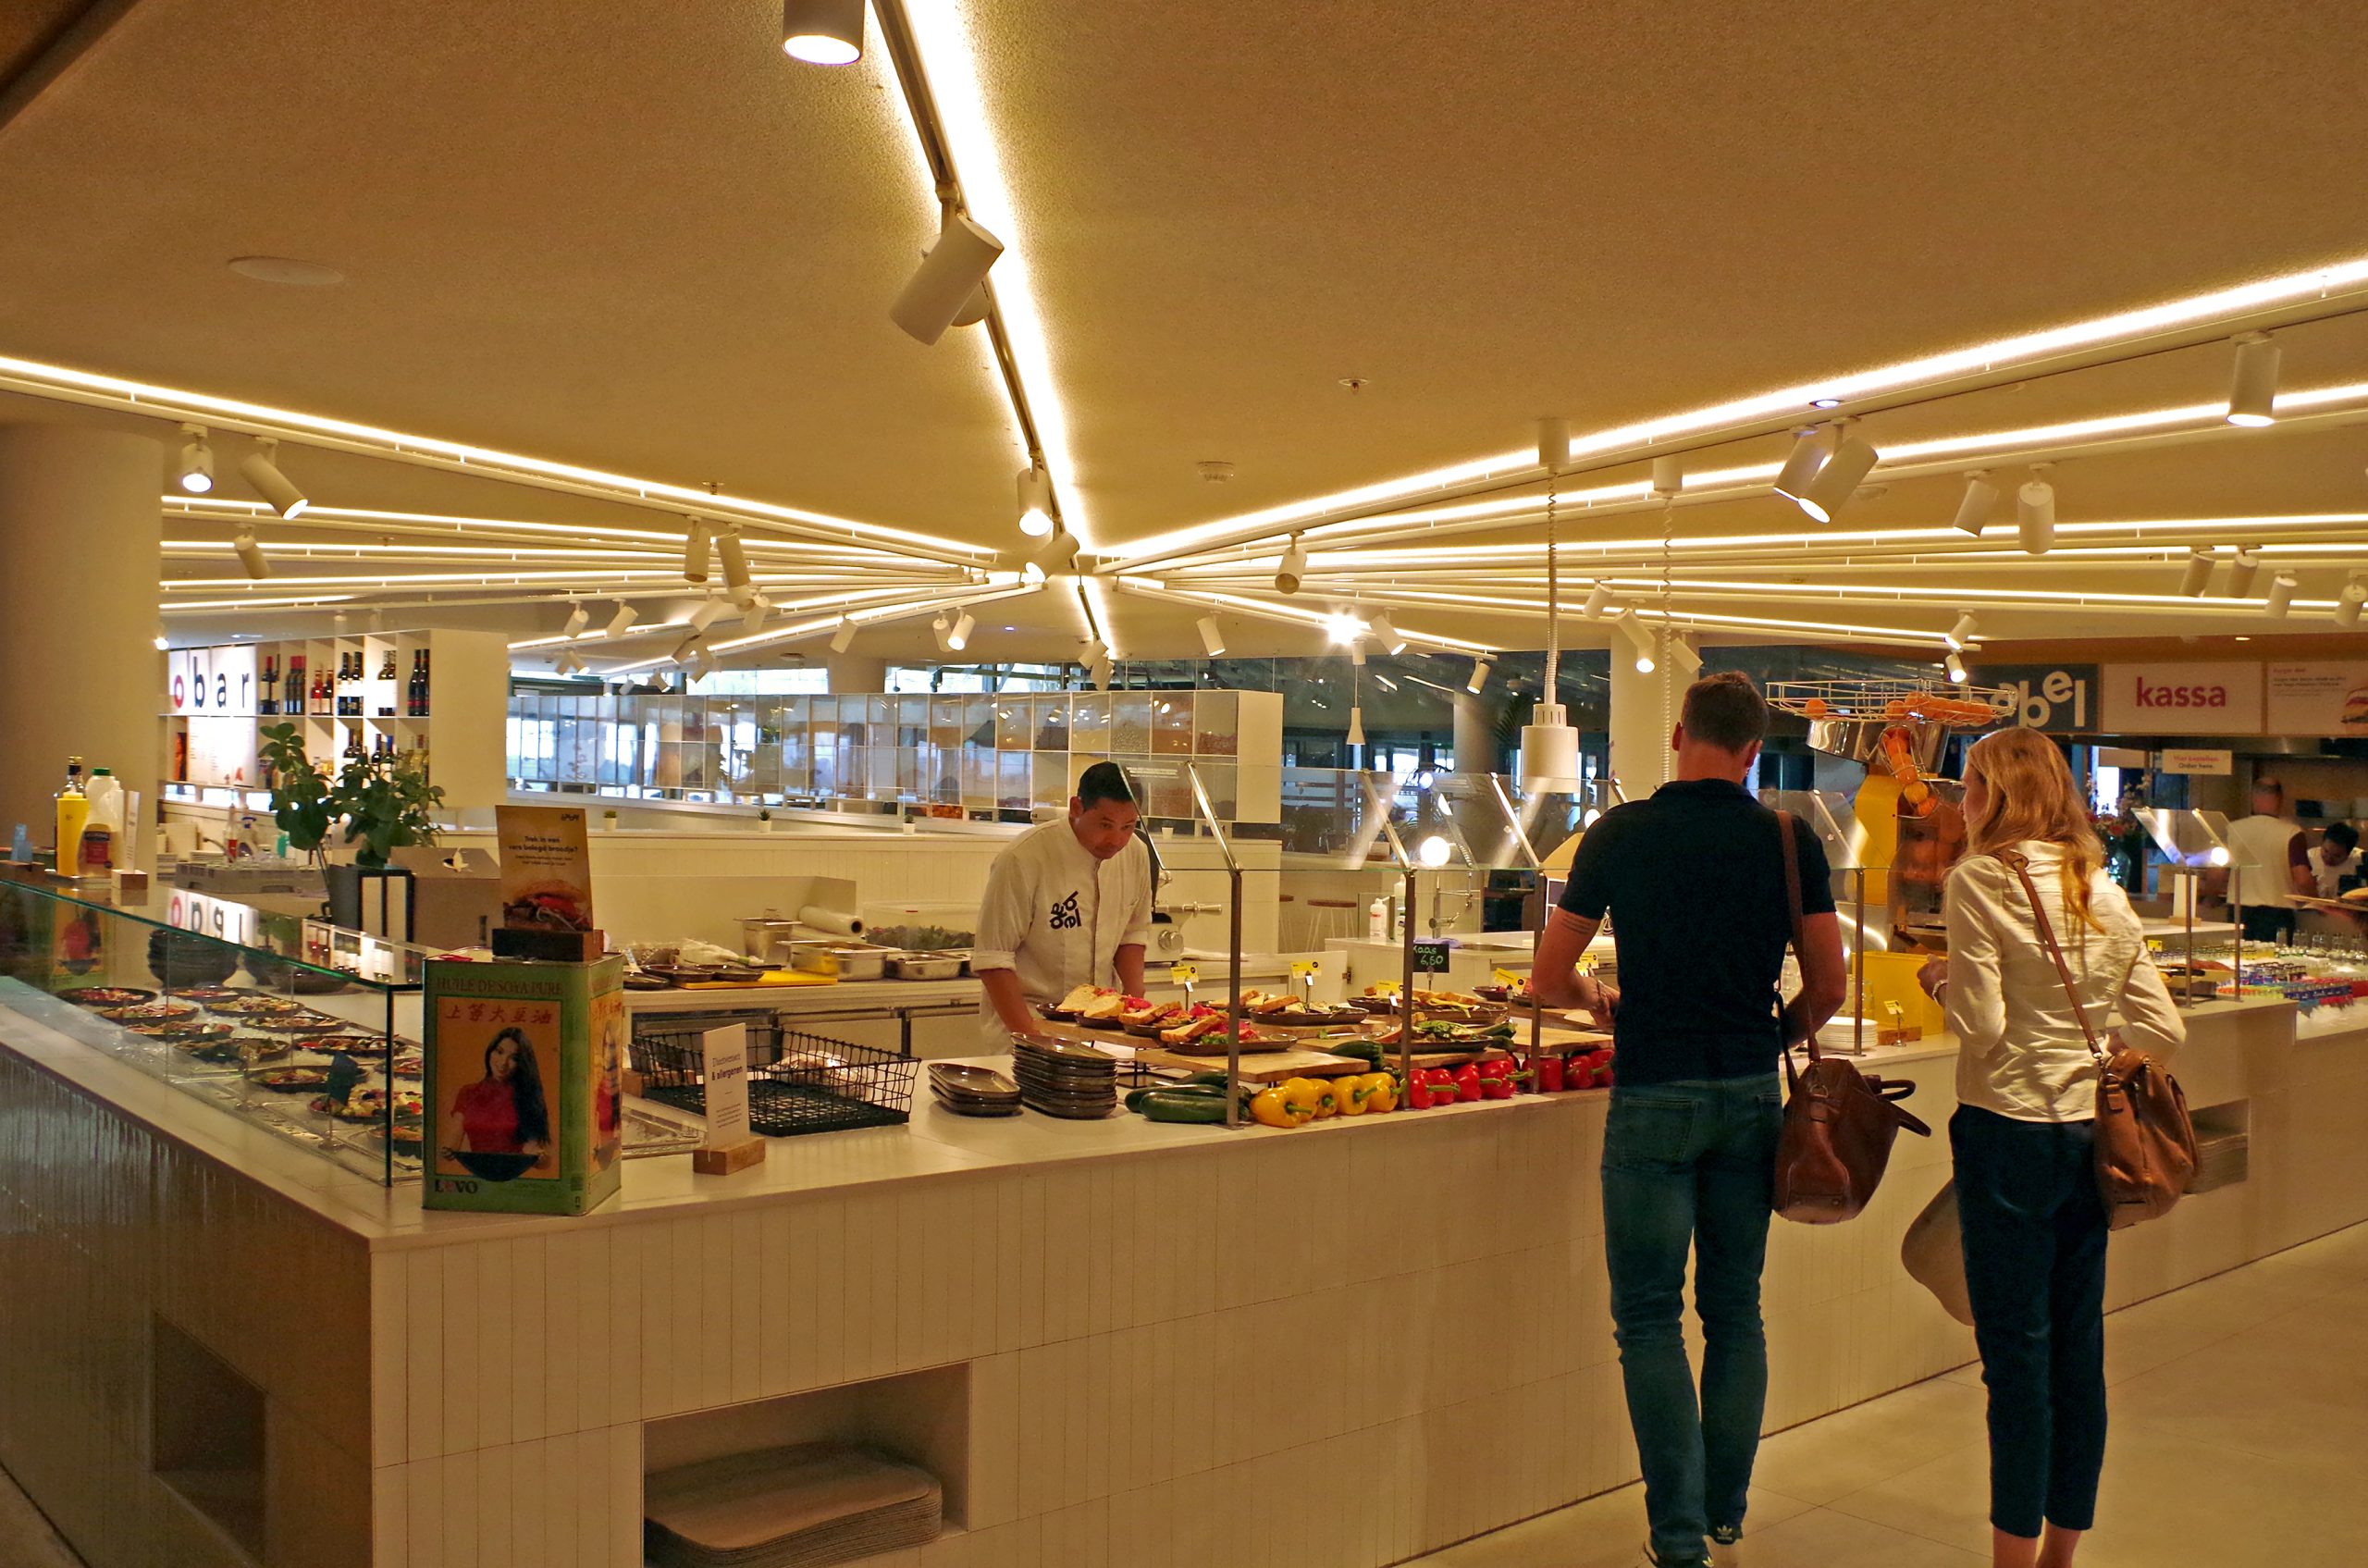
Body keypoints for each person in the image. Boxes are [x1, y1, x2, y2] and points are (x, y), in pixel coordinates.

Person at [1535, 672, 1848, 1568]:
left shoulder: (1620, 832)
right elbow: (1829, 985)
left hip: (1651, 1093)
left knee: (1648, 1319)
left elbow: (1547, 978)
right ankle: (1724, 1512)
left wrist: (1599, 999)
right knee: (1735, 1310)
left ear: (1677, 736)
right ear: (1752, 751)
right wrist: (1767, 1036)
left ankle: (1677, 1538)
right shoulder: (1787, 839)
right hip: (1748, 1095)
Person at [1915, 728, 2184, 1568]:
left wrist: (1941, 979)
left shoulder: (1980, 879)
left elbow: (1983, 1024)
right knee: (2077, 1347)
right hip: (2088, 1135)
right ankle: (2058, 1555)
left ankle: (2010, 1558)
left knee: (2016, 1359)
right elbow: (2162, 1025)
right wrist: (2095, 1051)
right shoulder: (2099, 885)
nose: (1962, 801)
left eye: (1969, 785)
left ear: (1994, 794)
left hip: (2007, 1133)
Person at [972, 760, 1155, 1043]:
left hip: (1102, 1028)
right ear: (1076, 808)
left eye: (1128, 826)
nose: (1116, 840)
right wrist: (1032, 1038)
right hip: (1029, 1022)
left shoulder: (1136, 853)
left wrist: (1135, 1012)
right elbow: (994, 959)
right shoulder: (1023, 858)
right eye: (1105, 825)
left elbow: (1131, 935)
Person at [2220, 774, 2310, 943]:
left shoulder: (2232, 829)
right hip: (2277, 914)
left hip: (2239, 912)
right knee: (2274, 959)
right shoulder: (2292, 832)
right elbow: (2303, 879)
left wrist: (2210, 898)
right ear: (2280, 799)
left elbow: (2215, 873)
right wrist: (2315, 900)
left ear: (2253, 797)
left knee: (2238, 957)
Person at [446, 1026, 552, 1159]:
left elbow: (537, 1153)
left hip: (514, 1169)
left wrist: (540, 1157)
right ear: (490, 1052)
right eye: (499, 1052)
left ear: (522, 1064)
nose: (503, 1062)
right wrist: (445, 1152)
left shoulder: (527, 1097)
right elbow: (451, 1145)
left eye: (514, 1058)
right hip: (477, 1169)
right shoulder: (468, 1092)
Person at [2307, 819, 2362, 897]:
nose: (2328, 858)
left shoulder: (2360, 860)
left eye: (2337, 856)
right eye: (2326, 851)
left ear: (2349, 853)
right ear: (2322, 843)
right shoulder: (2309, 858)